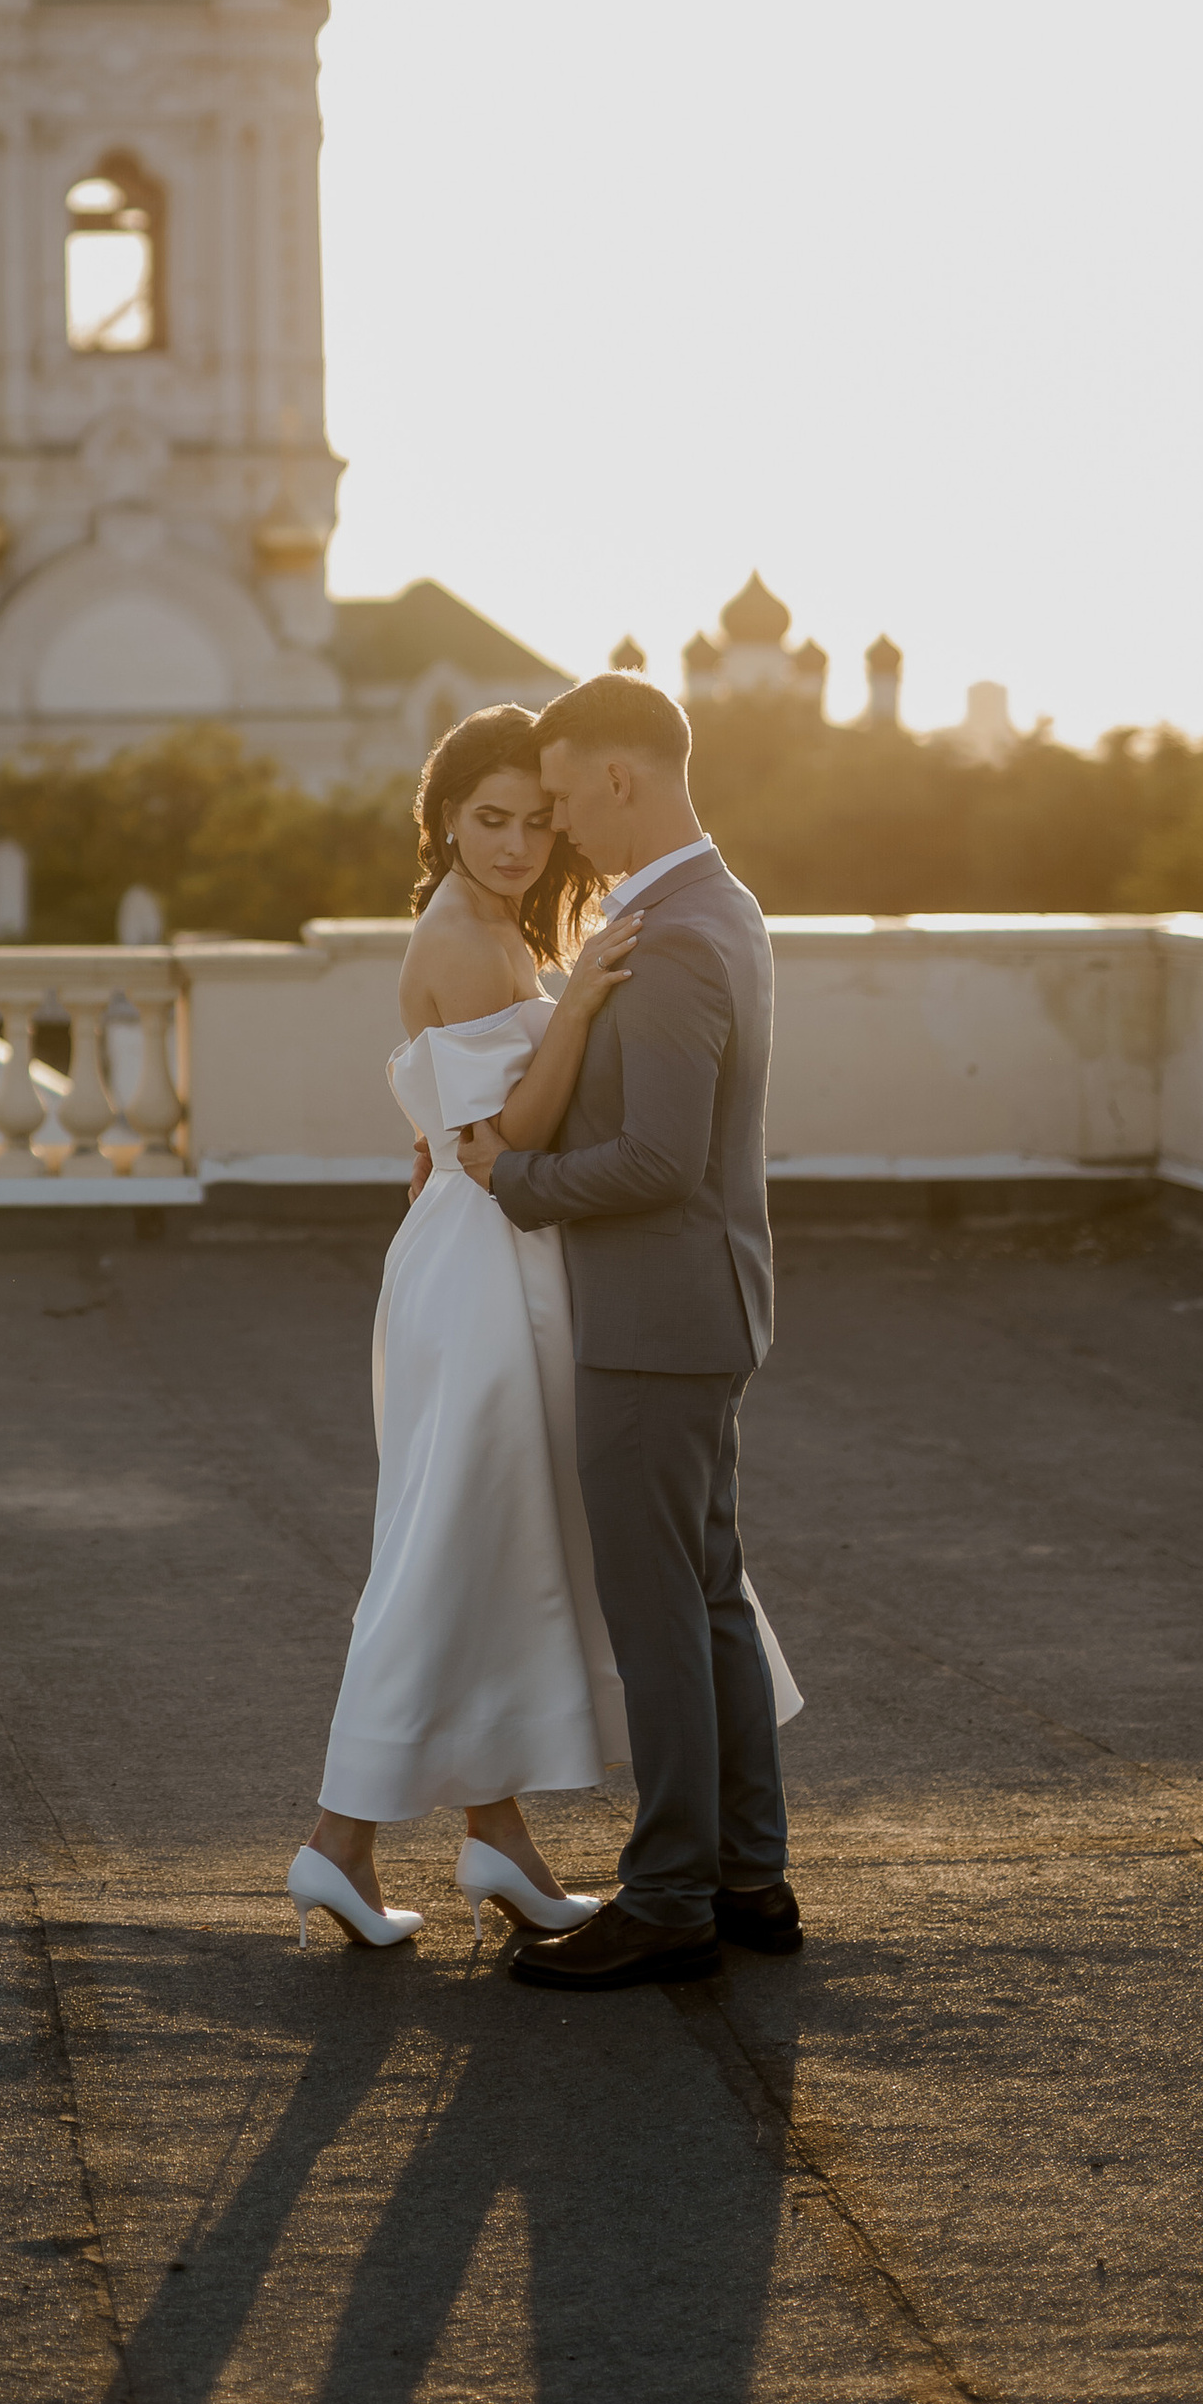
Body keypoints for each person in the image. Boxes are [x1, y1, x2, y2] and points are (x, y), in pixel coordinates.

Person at [287, 705, 801, 1954]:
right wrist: (568, 1020)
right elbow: (509, 1141)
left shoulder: (568, 931)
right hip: (485, 1273)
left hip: (526, 1258)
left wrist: (513, 1094)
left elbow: (518, 1140)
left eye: (542, 814)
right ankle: (342, 1839)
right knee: (454, 1545)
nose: (528, 840)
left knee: (498, 1546)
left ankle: (496, 1838)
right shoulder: (489, 938)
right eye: (496, 819)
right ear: (443, 820)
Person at [458, 669, 803, 1989]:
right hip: (699, 1307)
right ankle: (745, 1876)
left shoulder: (669, 938)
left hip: (655, 1320)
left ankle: (668, 1901)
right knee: (707, 1596)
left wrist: (513, 1179)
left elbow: (658, 1158)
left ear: (619, 779)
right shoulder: (721, 907)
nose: (559, 835)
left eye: (561, 802)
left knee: (660, 1608)